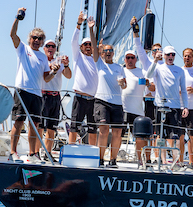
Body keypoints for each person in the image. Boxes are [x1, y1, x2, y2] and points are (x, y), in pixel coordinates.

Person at [9, 7, 57, 163]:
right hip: (22, 90)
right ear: (30, 38)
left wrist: (54, 72)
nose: (37, 40)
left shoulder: (43, 57)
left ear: (42, 41)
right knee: (19, 121)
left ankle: (32, 154)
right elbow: (12, 35)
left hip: (37, 94)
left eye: (40, 38)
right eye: (34, 37)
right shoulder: (23, 48)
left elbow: (46, 78)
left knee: (35, 125)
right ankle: (12, 152)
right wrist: (18, 17)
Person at [88, 17, 126, 168]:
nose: (108, 52)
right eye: (106, 51)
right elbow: (93, 47)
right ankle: (101, 159)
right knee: (104, 130)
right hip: (102, 101)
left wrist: (123, 83)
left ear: (113, 53)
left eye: (111, 51)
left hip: (117, 103)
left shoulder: (119, 67)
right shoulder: (99, 64)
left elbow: (124, 85)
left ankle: (113, 160)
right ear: (102, 53)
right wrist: (91, 29)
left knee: (117, 133)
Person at [146, 46, 189, 165]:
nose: (170, 57)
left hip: (175, 107)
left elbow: (184, 90)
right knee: (160, 135)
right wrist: (155, 60)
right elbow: (148, 75)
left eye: (173, 55)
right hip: (160, 106)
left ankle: (175, 161)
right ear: (164, 55)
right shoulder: (158, 68)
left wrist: (185, 106)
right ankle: (163, 160)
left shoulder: (180, 70)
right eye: (168, 54)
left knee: (174, 136)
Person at [36, 39, 72, 162]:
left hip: (56, 97)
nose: (50, 48)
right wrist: (50, 67)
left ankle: (48, 153)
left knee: (52, 128)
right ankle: (36, 152)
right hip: (43, 95)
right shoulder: (41, 60)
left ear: (55, 49)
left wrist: (66, 64)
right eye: (48, 46)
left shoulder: (59, 61)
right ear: (44, 48)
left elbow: (68, 75)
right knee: (40, 127)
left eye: (53, 46)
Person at [69, 11, 99, 146]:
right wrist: (79, 24)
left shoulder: (97, 60)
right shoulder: (78, 57)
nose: (88, 46)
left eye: (89, 44)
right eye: (85, 45)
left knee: (93, 128)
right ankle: (71, 148)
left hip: (94, 100)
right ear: (81, 47)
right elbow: (73, 41)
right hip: (80, 98)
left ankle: (94, 151)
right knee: (74, 126)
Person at [121, 50, 152, 166]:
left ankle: (141, 161)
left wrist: (148, 84)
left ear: (136, 59)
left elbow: (152, 88)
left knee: (140, 137)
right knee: (118, 134)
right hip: (122, 108)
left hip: (137, 110)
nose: (130, 60)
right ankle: (112, 159)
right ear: (124, 59)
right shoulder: (120, 70)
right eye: (127, 57)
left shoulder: (142, 72)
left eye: (132, 58)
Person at [130, 17, 162, 121]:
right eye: (154, 50)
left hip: (162, 100)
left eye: (159, 50)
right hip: (149, 99)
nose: (157, 52)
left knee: (161, 128)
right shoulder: (147, 62)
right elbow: (138, 47)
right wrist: (135, 30)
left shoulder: (167, 65)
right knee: (149, 126)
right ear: (152, 53)